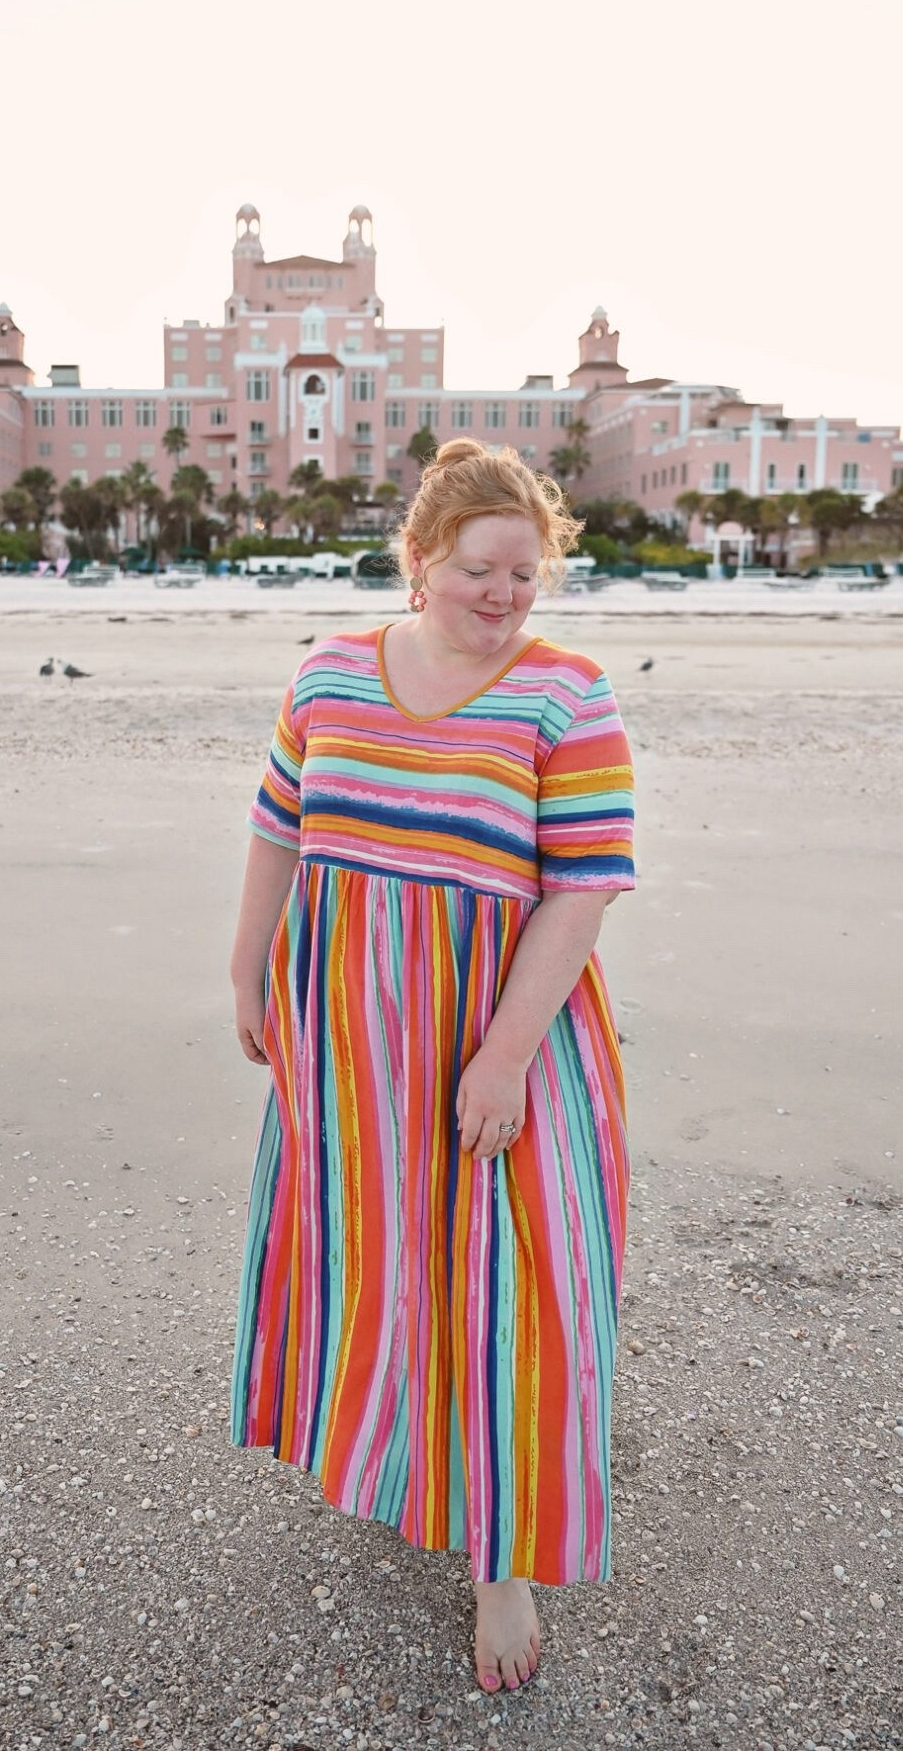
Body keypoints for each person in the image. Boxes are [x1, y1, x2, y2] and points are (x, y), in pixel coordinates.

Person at [229, 439, 636, 1695]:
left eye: (525, 572)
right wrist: (245, 973)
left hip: (499, 1026)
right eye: (480, 569)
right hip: (348, 1026)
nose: (505, 594)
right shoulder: (331, 673)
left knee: (514, 1276)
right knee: (375, 1248)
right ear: (419, 562)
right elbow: (276, 832)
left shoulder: (567, 695)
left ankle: (501, 1557)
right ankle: (383, 1454)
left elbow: (582, 891)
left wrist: (504, 1059)